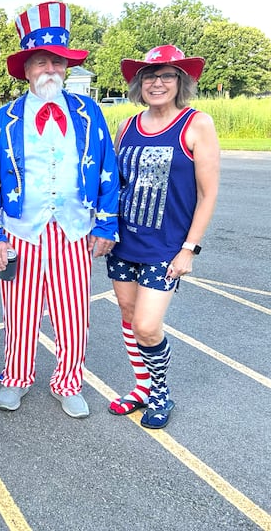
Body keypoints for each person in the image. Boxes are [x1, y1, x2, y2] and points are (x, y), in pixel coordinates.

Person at [0, 1, 119, 419]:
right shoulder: (3, 119)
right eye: (41, 62)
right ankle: (16, 377)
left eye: (57, 61)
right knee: (18, 312)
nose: (50, 70)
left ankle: (68, 381)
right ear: (26, 69)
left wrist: (106, 224)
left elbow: (107, 168)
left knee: (73, 314)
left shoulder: (89, 113)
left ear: (66, 67)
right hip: (21, 230)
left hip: (74, 230)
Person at [106, 45, 220, 429]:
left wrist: (189, 249)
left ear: (180, 81)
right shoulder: (127, 126)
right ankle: (140, 388)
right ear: (139, 84)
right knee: (126, 314)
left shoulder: (196, 124)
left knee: (148, 325)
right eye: (150, 76)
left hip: (166, 248)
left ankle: (160, 392)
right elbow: (118, 184)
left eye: (167, 75)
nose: (157, 83)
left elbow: (208, 194)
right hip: (125, 244)